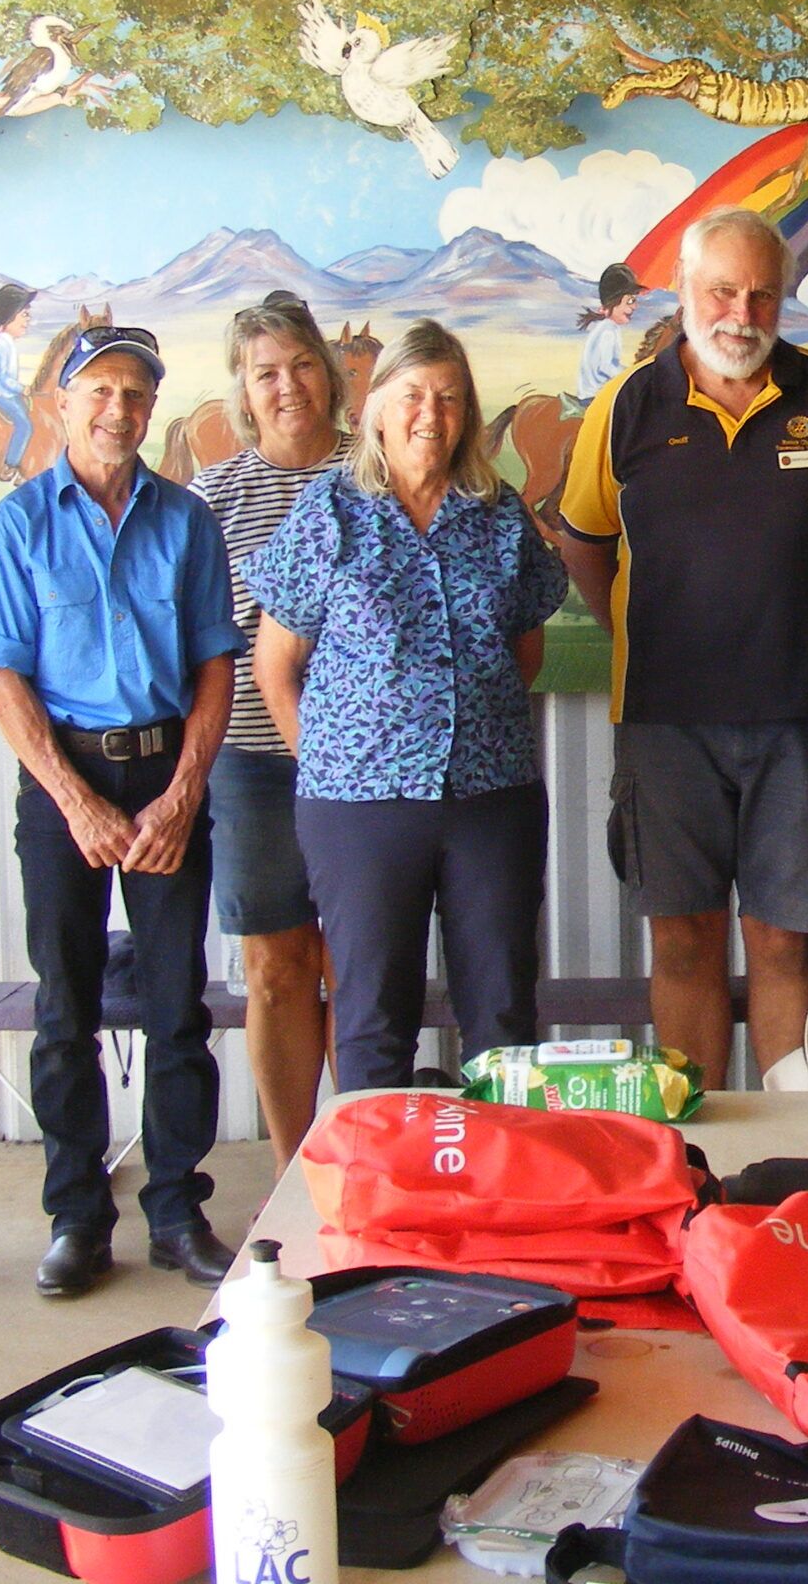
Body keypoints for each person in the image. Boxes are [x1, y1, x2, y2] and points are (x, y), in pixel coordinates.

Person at [556, 206, 808, 1090]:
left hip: (801, 720)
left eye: (761, 295)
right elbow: (582, 541)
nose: (740, 313)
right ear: (683, 290)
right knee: (682, 941)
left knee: (785, 946)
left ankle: (791, 1174)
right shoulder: (627, 405)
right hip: (665, 725)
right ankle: (697, 1171)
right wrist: (637, 629)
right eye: (721, 291)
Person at [0, 322, 244, 1298]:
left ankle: (176, 1209)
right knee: (65, 1010)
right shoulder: (16, 527)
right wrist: (75, 799)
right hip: (62, 786)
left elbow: (216, 663)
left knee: (178, 1009)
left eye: (135, 394)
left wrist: (183, 793)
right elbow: (3, 675)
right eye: (99, 391)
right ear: (58, 402)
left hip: (168, 774)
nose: (117, 410)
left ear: (150, 408)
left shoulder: (186, 521)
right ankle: (77, 1217)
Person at [248, 322, 569, 1091]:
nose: (432, 414)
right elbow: (275, 667)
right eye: (414, 396)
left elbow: (523, 650)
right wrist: (332, 766)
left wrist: (468, 723)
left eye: (451, 399)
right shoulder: (328, 514)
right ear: (378, 409)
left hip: (492, 800)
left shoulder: (499, 517)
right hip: (358, 810)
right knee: (372, 1018)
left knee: (500, 1018)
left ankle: (495, 1198)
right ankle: (373, 1206)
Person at [190, 292, 348, 1172]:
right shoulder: (211, 500)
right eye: (265, 373)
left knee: (355, 967)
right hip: (254, 765)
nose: (287, 386)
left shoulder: (382, 473)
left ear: (329, 373)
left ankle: (362, 1167)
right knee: (278, 968)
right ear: (242, 394)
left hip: (370, 769)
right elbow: (203, 648)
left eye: (301, 365)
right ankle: (297, 1173)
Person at [575, 262, 649, 404]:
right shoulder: (608, 330)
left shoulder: (607, 327)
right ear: (614, 302)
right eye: (630, 301)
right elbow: (606, 366)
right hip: (595, 396)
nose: (634, 306)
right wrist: (634, 375)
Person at [0, 283, 35, 474]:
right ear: (10, 316)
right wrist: (22, 388)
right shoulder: (3, 344)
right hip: (2, 394)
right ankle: (10, 465)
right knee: (25, 425)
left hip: (9, 393)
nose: (28, 320)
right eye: (24, 315)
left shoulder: (8, 342)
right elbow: (3, 378)